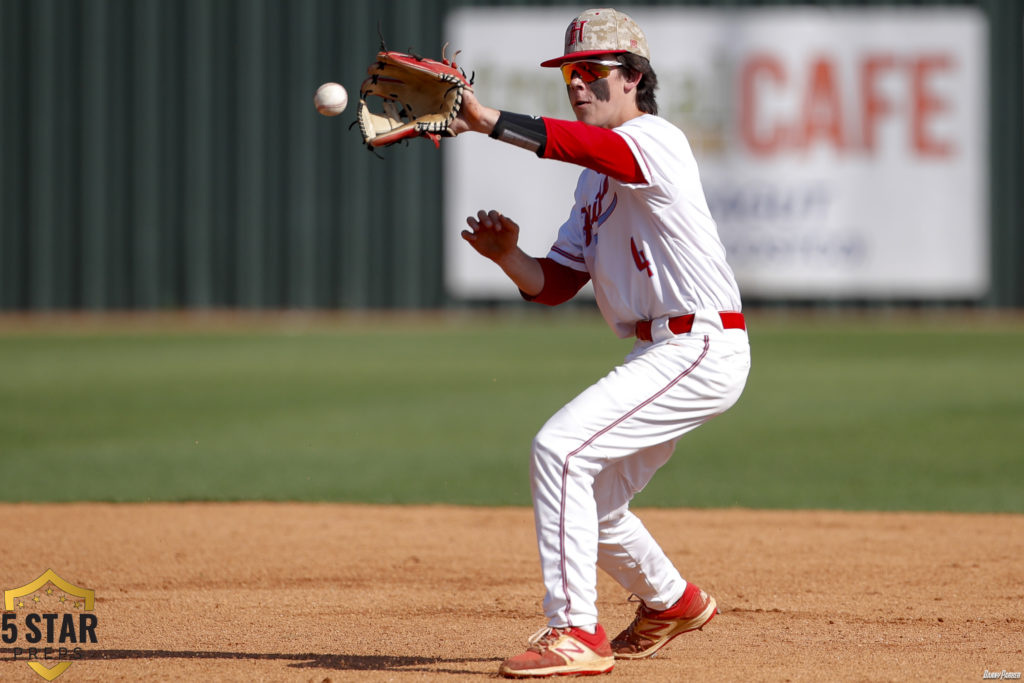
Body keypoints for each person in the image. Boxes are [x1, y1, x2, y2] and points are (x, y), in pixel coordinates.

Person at [450, 8, 751, 678]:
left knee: (558, 449)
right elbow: (557, 283)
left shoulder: (655, 139)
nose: (577, 84)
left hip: (698, 344)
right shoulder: (593, 184)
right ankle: (673, 600)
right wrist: (509, 256)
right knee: (594, 500)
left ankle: (576, 631)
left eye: (592, 71)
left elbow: (586, 146)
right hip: (662, 351)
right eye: (569, 74)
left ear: (634, 78)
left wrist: (487, 120)